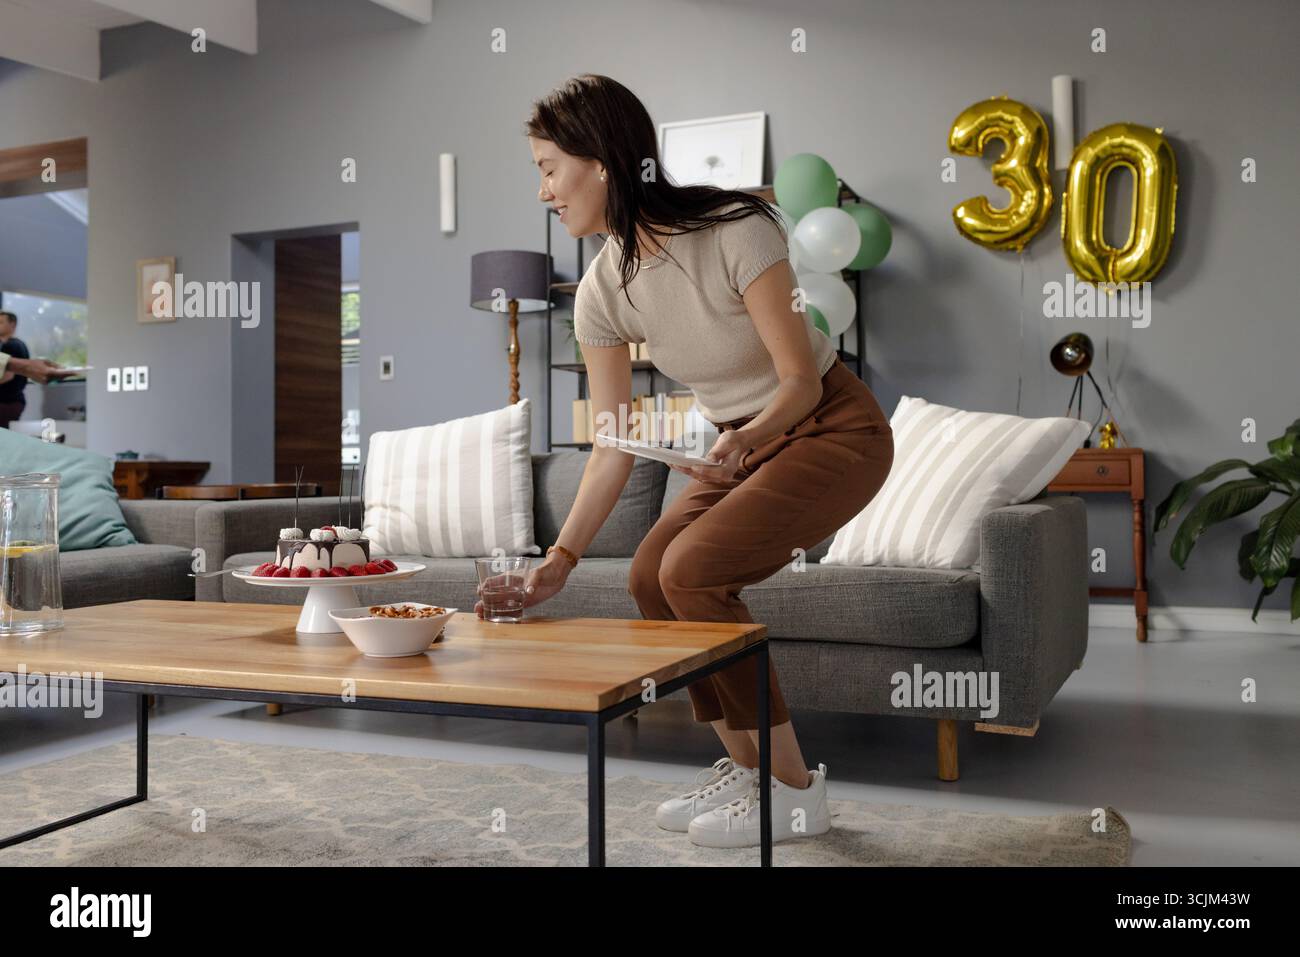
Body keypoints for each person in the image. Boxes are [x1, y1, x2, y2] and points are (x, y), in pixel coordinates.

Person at [474, 74, 894, 848]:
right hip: (741, 444)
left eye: (547, 167)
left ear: (599, 161)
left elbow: (799, 381)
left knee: (691, 569)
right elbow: (610, 439)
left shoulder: (737, 227)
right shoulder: (601, 292)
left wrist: (743, 439)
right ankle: (750, 768)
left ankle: (795, 792)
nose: (542, 190)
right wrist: (559, 560)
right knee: (647, 573)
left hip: (832, 426)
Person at [0, 310, 72, 428]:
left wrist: (28, 367)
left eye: (1, 322)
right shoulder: (15, 344)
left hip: (6, 402)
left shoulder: (12, 345)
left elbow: (7, 376)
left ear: (12, 325)